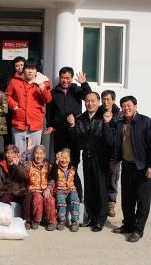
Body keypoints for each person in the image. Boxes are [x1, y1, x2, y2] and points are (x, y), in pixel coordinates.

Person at [103, 96, 151, 243]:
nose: (126, 108)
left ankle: (138, 229)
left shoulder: (146, 122)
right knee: (127, 198)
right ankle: (127, 225)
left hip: (143, 167)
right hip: (127, 165)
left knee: (142, 199)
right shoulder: (119, 123)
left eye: (129, 105)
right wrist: (108, 124)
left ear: (135, 106)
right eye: (123, 106)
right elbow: (110, 141)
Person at [45, 66, 91, 202]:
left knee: (74, 161)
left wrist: (84, 83)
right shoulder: (54, 92)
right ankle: (58, 189)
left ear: (71, 78)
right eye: (63, 77)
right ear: (60, 78)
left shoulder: (77, 90)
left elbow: (89, 96)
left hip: (74, 131)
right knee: (59, 159)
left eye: (67, 78)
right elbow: (50, 111)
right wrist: (50, 125)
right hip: (59, 131)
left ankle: (76, 191)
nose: (65, 80)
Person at [68, 92, 111, 232]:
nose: (90, 103)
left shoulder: (104, 116)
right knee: (90, 188)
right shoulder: (81, 118)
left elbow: (110, 139)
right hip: (87, 156)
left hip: (101, 157)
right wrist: (73, 125)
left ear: (98, 102)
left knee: (101, 189)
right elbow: (76, 136)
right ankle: (91, 216)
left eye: (93, 101)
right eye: (87, 101)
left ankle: (100, 219)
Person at [6, 58, 52, 154]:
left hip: (35, 122)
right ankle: (19, 169)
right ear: (24, 69)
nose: (30, 71)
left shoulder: (43, 82)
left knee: (34, 154)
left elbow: (47, 100)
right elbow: (7, 95)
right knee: (18, 153)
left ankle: (32, 170)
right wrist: (14, 106)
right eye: (27, 68)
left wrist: (43, 90)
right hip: (18, 121)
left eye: (33, 68)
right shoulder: (15, 81)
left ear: (36, 70)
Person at [19, 139, 57, 231]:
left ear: (44, 155)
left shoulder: (49, 166)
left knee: (50, 200)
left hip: (45, 190)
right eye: (36, 153)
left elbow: (52, 180)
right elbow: (20, 160)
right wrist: (28, 150)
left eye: (41, 154)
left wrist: (48, 189)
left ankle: (52, 222)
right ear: (33, 155)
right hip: (33, 190)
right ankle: (36, 220)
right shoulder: (29, 165)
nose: (39, 156)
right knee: (37, 199)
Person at [0, 145, 32, 230]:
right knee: (4, 199)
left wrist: (17, 167)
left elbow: (24, 176)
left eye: (12, 153)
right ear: (5, 154)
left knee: (28, 196)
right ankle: (5, 219)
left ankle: (26, 220)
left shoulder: (20, 164)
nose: (9, 155)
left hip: (19, 191)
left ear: (16, 155)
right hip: (7, 191)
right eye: (8, 153)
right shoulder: (0, 165)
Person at [101, 90, 123, 217]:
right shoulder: (99, 113)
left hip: (113, 153)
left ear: (113, 100)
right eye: (103, 99)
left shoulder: (119, 116)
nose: (105, 102)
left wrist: (114, 156)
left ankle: (111, 205)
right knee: (100, 179)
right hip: (100, 152)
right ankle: (101, 203)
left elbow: (119, 137)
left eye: (108, 99)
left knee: (112, 179)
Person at [49, 149, 80, 232]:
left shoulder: (73, 169)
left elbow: (77, 183)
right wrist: (56, 161)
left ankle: (75, 222)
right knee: (60, 202)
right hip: (60, 190)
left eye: (66, 158)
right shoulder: (56, 168)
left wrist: (80, 195)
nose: (64, 160)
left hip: (71, 189)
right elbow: (53, 175)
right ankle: (61, 221)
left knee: (75, 200)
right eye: (62, 158)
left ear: (70, 159)